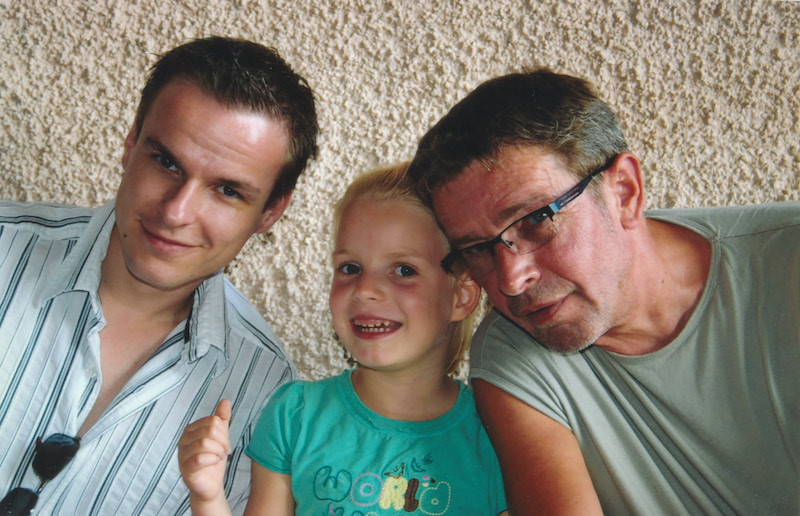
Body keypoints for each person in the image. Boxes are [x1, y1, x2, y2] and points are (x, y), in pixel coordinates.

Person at [407, 68, 800, 514]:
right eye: (477, 249)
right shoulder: (512, 351)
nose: (511, 280)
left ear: (624, 192)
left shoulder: (788, 266)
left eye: (536, 220)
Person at [0, 36, 318, 515]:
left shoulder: (266, 395)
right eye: (166, 162)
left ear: (271, 211)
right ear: (131, 144)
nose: (175, 212)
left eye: (228, 191)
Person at [178, 163, 508, 515]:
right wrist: (207, 498)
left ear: (460, 297)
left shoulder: (496, 437)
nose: (365, 290)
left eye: (403, 270)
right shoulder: (295, 415)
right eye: (350, 268)